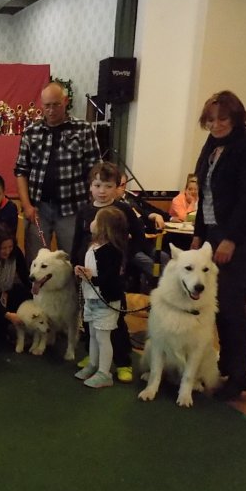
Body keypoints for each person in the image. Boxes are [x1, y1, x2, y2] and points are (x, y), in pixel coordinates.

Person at [191, 90, 246, 400]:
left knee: (230, 302)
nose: (216, 125)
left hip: (237, 233)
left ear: (236, 117)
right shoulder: (212, 144)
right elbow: (205, 195)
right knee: (214, 302)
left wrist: (231, 239)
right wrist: (198, 234)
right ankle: (224, 364)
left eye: (222, 119)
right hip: (212, 231)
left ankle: (239, 375)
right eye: (210, 120)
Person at [71, 162, 143, 383]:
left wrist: (124, 259)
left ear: (117, 187)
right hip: (88, 276)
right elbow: (78, 240)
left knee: (115, 321)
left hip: (111, 279)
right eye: (97, 185)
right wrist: (75, 263)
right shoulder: (84, 211)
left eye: (108, 186)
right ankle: (94, 359)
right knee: (90, 320)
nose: (102, 191)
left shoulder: (123, 210)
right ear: (90, 186)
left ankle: (122, 361)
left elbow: (139, 237)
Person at [15, 81, 101, 263]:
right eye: (47, 105)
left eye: (56, 105)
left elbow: (95, 171)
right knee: (37, 262)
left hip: (73, 209)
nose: (51, 110)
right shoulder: (30, 132)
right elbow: (21, 171)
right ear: (41, 104)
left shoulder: (84, 129)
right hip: (38, 209)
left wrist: (93, 205)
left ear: (65, 101)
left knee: (72, 260)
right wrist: (27, 205)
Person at [73, 206, 129, 388]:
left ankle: (104, 373)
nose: (92, 223)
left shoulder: (112, 251)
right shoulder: (93, 246)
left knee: (103, 338)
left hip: (105, 301)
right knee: (93, 334)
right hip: (91, 299)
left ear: (104, 227)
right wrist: (80, 271)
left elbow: (110, 278)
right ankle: (93, 364)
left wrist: (92, 278)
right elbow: (92, 269)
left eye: (96, 220)